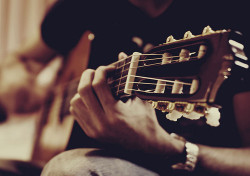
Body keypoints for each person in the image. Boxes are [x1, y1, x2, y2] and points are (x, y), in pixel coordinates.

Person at [1, 0, 250, 175]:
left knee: (70, 169)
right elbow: (21, 60)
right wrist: (18, 83)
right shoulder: (81, 6)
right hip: (65, 153)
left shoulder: (232, 12)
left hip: (178, 165)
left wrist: (170, 150)